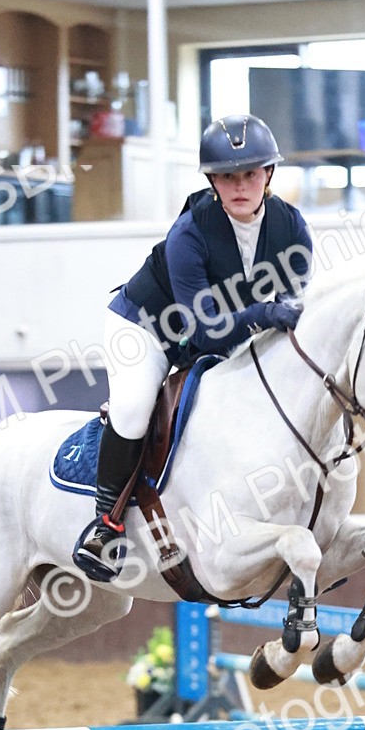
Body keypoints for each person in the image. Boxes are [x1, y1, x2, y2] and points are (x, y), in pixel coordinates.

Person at [74, 113, 313, 580]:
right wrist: (264, 315)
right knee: (133, 408)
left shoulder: (292, 228)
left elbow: (292, 307)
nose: (239, 185)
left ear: (269, 175)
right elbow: (204, 331)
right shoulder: (190, 233)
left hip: (225, 332)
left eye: (250, 173)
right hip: (145, 328)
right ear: (212, 181)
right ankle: (106, 524)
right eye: (227, 176)